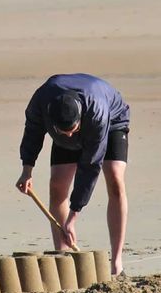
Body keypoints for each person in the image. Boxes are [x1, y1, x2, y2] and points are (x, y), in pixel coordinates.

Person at [15, 73, 130, 276]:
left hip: (112, 122)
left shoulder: (97, 112)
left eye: (72, 130)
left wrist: (73, 215)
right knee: (57, 186)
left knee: (115, 181)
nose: (69, 134)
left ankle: (117, 263)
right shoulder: (41, 100)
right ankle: (65, 260)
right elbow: (33, 131)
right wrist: (27, 170)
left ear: (79, 120)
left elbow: (91, 165)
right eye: (63, 131)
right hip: (67, 121)